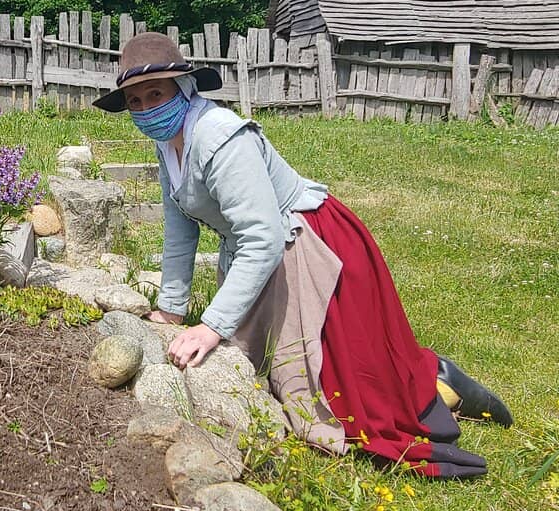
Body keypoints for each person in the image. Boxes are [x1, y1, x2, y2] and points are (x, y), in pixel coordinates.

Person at [92, 32, 511, 479]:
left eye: (156, 94)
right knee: (272, 371)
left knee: (337, 393)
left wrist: (210, 327)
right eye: (135, 100)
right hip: (266, 251)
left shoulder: (220, 136)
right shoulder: (169, 144)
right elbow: (180, 229)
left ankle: (438, 378)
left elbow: (263, 235)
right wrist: (172, 309)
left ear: (183, 89)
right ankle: (430, 375)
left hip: (309, 243)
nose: (146, 108)